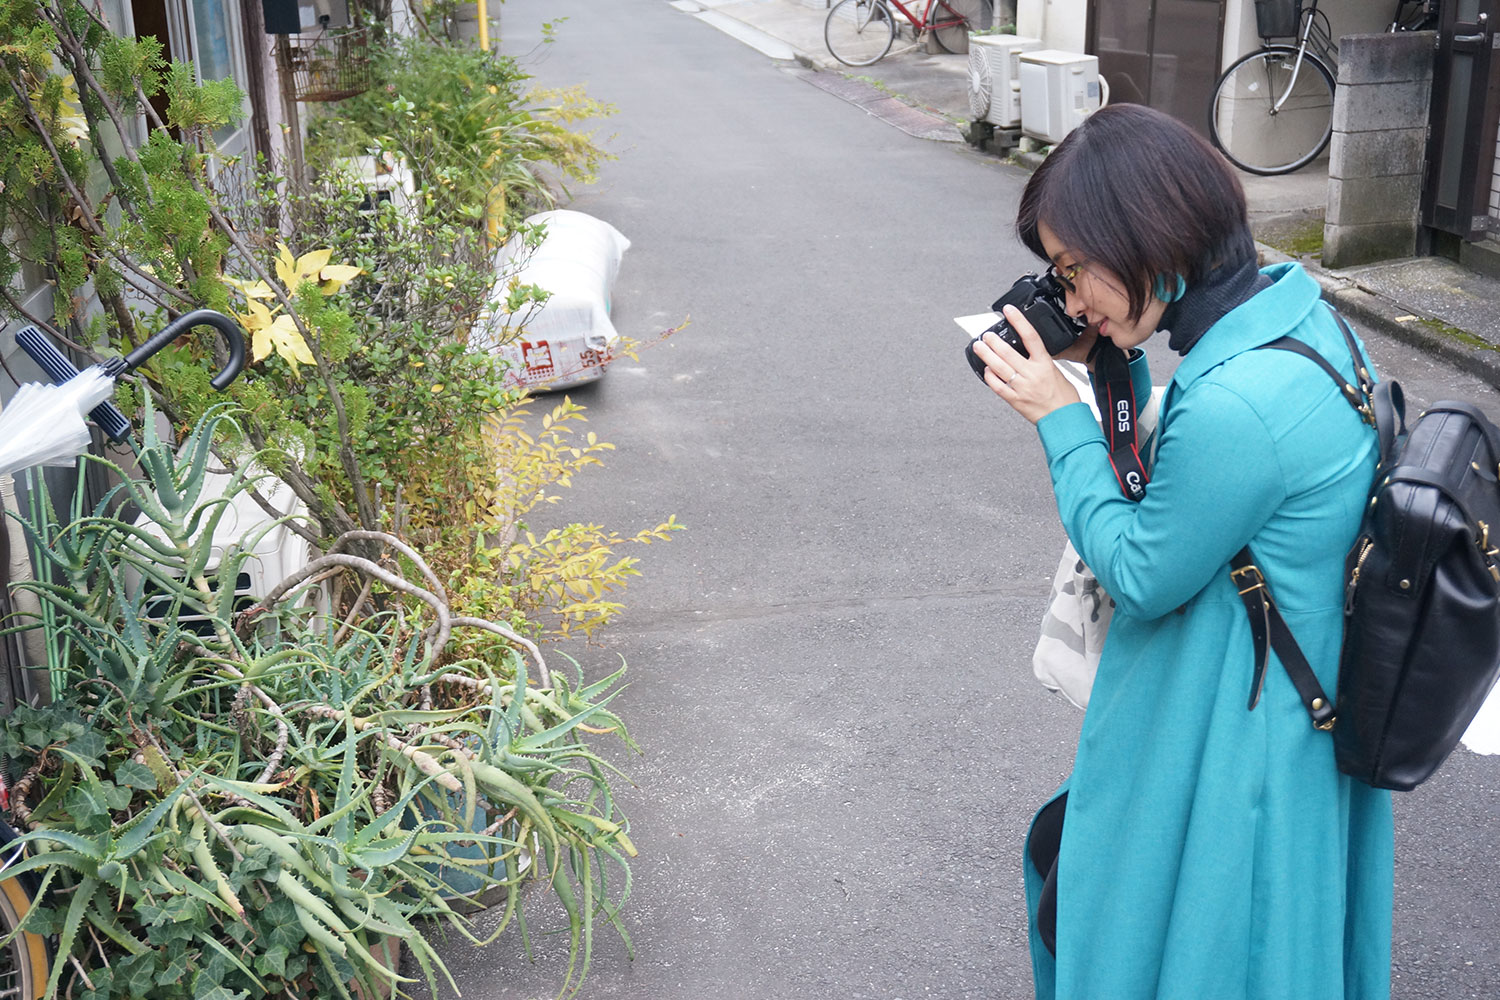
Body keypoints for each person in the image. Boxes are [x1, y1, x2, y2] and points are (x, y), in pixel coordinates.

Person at [970, 103, 1394, 1000]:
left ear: (1149, 239)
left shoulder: (1239, 402)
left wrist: (1059, 416)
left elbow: (1143, 568)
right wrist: (1110, 355)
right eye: (1059, 272)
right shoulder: (1298, 322)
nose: (1070, 293)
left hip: (1233, 735)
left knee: (1190, 946)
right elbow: (1188, 497)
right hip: (1289, 700)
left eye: (1076, 269)